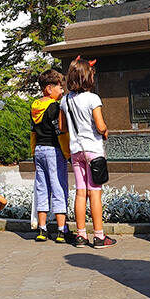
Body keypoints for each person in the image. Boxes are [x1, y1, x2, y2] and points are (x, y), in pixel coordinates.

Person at [61, 57, 117, 248]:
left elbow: (62, 127)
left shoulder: (65, 100)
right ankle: (99, 236)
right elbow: (100, 126)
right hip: (93, 151)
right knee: (95, 193)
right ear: (87, 77)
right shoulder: (93, 98)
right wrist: (105, 131)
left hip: (75, 151)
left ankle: (81, 235)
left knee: (80, 193)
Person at [30, 68, 69, 243]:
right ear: (48, 89)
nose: (62, 91)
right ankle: (62, 230)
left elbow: (33, 133)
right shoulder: (55, 107)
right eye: (59, 88)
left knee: (42, 188)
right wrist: (67, 152)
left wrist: (33, 152)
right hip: (54, 150)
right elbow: (60, 131)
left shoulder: (34, 106)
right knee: (58, 187)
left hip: (39, 150)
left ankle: (42, 229)